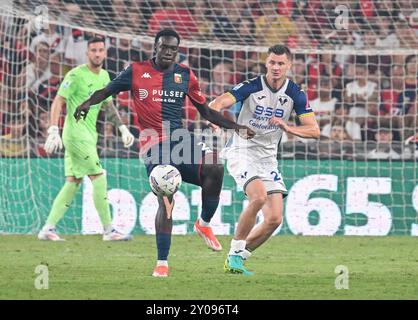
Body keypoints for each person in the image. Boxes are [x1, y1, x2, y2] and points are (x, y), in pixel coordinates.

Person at [74, 29, 255, 277]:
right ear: (155, 47)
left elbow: (206, 111)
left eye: (173, 48)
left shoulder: (185, 75)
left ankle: (203, 224)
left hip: (180, 139)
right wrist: (86, 103)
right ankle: (162, 262)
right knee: (167, 196)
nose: (169, 51)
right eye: (164, 47)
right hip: (153, 144)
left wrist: (237, 128)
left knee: (215, 166)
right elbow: (106, 91)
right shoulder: (136, 70)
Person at [209, 44, 320, 275]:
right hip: (242, 150)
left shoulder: (295, 94)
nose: (276, 67)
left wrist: (287, 127)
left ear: (289, 65)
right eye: (272, 62)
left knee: (274, 219)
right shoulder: (251, 86)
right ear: (266, 63)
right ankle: (236, 248)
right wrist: (216, 120)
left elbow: (314, 130)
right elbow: (217, 103)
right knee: (258, 197)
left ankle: (236, 258)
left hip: (268, 158)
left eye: (281, 63)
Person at [38, 37, 135, 242]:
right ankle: (109, 231)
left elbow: (107, 106)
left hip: (90, 135)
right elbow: (59, 101)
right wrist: (53, 129)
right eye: (93, 50)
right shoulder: (75, 75)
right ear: (87, 53)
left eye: (100, 50)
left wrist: (123, 128)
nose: (97, 54)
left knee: (73, 181)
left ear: (105, 53)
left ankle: (47, 228)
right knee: (98, 176)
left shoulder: (105, 76)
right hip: (76, 134)